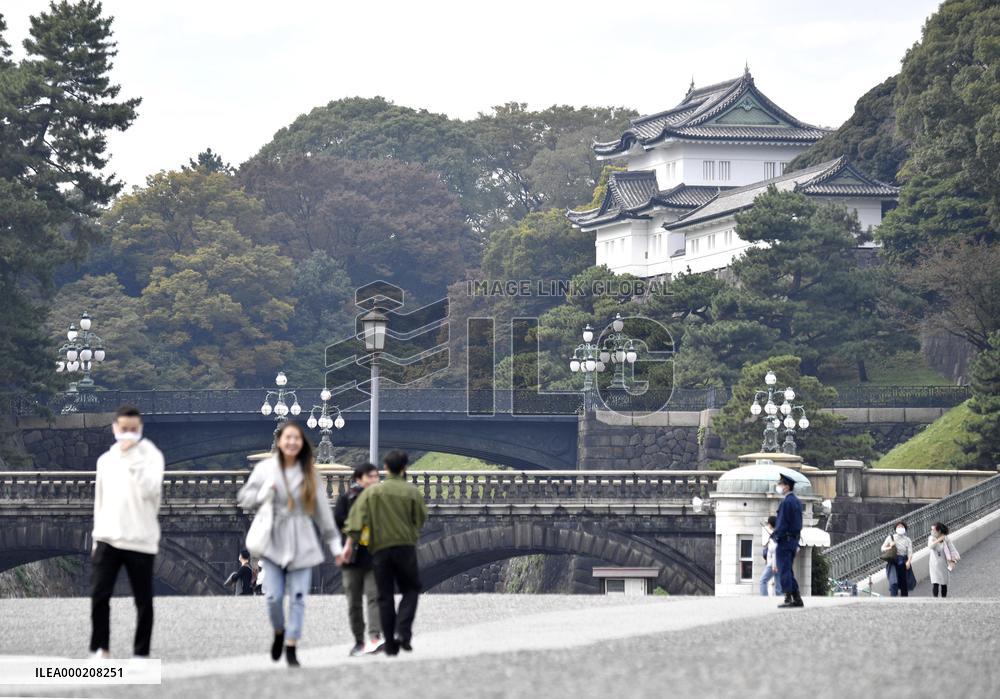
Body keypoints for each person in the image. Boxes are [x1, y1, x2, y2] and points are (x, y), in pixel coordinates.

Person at [237, 421, 343, 667]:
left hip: (302, 538)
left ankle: (292, 644)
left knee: (297, 596)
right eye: (288, 438)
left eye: (297, 438)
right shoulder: (265, 469)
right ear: (280, 442)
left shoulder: (309, 472)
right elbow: (245, 498)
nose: (292, 442)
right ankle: (278, 632)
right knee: (273, 597)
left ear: (302, 442)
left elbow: (323, 513)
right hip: (273, 540)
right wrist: (264, 493)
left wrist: (336, 546)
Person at [89, 405, 165, 659]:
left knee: (143, 600)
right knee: (100, 594)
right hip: (108, 536)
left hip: (140, 538)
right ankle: (102, 649)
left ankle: (141, 654)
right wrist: (95, 537)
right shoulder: (105, 461)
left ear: (140, 429)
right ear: (115, 429)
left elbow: (151, 492)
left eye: (133, 430)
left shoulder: (152, 457)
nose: (128, 434)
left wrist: (133, 460)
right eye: (124, 429)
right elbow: (100, 500)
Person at [342, 449, 428, 656]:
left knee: (384, 595)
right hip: (405, 548)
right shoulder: (412, 492)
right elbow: (420, 518)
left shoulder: (372, 493)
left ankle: (389, 642)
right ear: (405, 468)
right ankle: (403, 632)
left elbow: (356, 520)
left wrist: (348, 546)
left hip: (379, 549)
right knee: (410, 589)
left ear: (386, 468)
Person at [334, 463, 384, 656]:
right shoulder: (347, 499)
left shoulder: (381, 499)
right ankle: (358, 640)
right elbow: (338, 522)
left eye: (376, 477)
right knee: (353, 601)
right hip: (352, 557)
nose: (374, 480)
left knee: (374, 597)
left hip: (375, 555)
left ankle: (374, 637)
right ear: (359, 478)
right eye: (370, 477)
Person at [772, 473, 804, 608]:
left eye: (781, 484)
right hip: (793, 540)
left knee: (784, 570)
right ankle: (796, 597)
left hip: (785, 540)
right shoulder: (796, 501)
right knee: (788, 570)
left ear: (786, 486)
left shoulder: (786, 502)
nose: (779, 487)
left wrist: (775, 537)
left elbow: (782, 523)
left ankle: (789, 597)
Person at [881, 520, 914, 597]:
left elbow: (910, 552)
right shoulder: (890, 537)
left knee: (904, 582)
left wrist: (908, 561)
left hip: (903, 561)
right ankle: (893, 598)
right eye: (899, 526)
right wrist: (890, 546)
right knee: (893, 582)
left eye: (902, 526)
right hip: (893, 561)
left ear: (905, 528)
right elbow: (882, 548)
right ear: (895, 528)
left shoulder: (907, 539)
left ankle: (904, 599)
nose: (900, 528)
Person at [928, 522, 959, 598]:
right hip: (934, 564)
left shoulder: (946, 539)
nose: (932, 531)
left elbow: (952, 549)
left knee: (943, 582)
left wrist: (953, 560)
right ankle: (935, 599)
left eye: (934, 530)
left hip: (944, 563)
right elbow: (931, 546)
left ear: (939, 531)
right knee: (935, 582)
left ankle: (943, 599)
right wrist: (938, 540)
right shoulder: (931, 538)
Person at [759, 516, 783, 597]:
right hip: (780, 562)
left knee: (763, 580)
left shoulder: (774, 536)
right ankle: (781, 599)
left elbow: (774, 550)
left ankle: (764, 598)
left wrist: (774, 564)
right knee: (779, 585)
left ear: (770, 524)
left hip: (773, 562)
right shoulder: (779, 533)